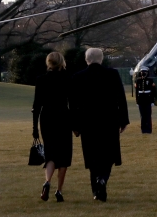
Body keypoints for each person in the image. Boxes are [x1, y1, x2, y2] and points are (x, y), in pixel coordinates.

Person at [71, 48, 129, 202]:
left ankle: (96, 191)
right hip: (109, 121)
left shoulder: (78, 77)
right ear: (102, 59)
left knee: (92, 156)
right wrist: (123, 120)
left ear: (86, 59)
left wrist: (75, 125)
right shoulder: (112, 74)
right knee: (109, 155)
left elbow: (74, 104)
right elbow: (121, 98)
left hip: (88, 122)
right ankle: (102, 179)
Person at [32, 52, 72, 202]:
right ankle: (59, 191)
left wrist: (35, 128)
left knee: (51, 153)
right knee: (64, 155)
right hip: (63, 117)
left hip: (46, 118)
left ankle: (47, 181)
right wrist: (75, 125)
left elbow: (36, 106)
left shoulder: (41, 79)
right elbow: (72, 103)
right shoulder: (67, 78)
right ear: (62, 62)